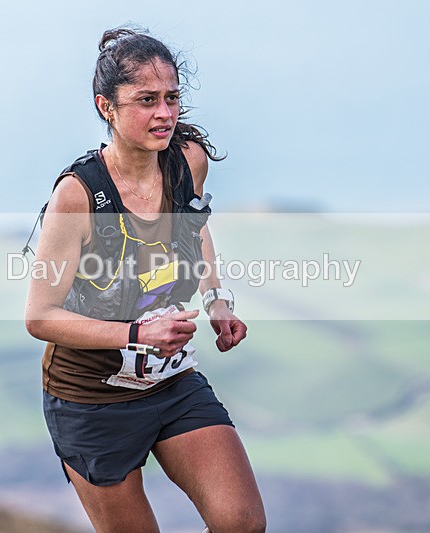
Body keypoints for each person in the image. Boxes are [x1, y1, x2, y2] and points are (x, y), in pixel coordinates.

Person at [25, 27, 266, 533]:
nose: (164, 113)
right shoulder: (79, 195)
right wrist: (137, 334)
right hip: (90, 400)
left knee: (241, 522)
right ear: (105, 106)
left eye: (172, 97)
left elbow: (193, 230)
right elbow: (39, 316)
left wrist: (217, 300)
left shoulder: (188, 160)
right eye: (146, 100)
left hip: (171, 381)